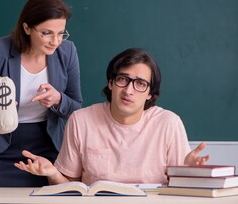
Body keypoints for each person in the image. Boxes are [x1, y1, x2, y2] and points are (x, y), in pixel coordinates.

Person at [15, 48, 209, 185]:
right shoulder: (81, 120)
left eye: (140, 83)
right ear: (111, 83)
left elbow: (181, 190)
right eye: (123, 79)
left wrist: (188, 172)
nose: (129, 90)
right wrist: (53, 173)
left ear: (150, 93)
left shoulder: (168, 123)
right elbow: (69, 188)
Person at [0, 0, 83, 187]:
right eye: (47, 33)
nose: (55, 41)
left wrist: (58, 99)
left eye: (61, 33)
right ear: (27, 28)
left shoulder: (68, 52)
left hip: (47, 145)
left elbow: (76, 109)